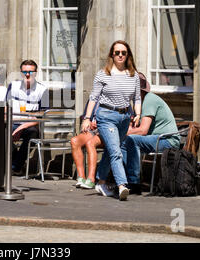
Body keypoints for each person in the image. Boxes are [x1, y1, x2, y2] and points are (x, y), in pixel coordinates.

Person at [81, 40, 141, 201]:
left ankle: (100, 182)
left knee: (111, 150)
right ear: (112, 55)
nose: (120, 55)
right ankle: (122, 185)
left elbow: (137, 98)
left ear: (128, 55)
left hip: (124, 117)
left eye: (124, 53)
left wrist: (138, 114)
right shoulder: (103, 74)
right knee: (116, 152)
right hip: (106, 116)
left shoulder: (133, 75)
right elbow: (93, 97)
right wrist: (87, 118)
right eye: (117, 53)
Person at [119, 72, 180, 195]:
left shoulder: (149, 100)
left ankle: (133, 183)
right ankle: (124, 180)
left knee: (131, 140)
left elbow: (143, 130)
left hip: (167, 140)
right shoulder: (138, 103)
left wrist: (125, 132)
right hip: (155, 138)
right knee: (124, 141)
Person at [6, 60, 49, 174]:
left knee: (33, 133)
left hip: (29, 126)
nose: (28, 75)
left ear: (36, 72)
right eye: (25, 72)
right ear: (21, 73)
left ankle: (16, 167)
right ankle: (14, 159)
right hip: (12, 122)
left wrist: (20, 128)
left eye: (31, 72)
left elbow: (41, 117)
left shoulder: (43, 90)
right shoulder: (13, 86)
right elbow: (6, 109)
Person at [70, 101, 103, 189]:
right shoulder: (93, 99)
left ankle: (91, 179)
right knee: (74, 141)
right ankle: (81, 178)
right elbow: (85, 117)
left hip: (104, 131)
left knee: (90, 143)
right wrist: (88, 123)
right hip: (92, 131)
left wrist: (100, 124)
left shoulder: (114, 96)